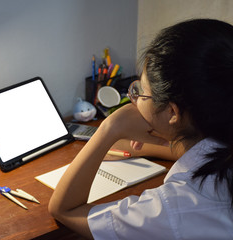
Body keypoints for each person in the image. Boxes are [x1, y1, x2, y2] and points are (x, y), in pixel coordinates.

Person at [48, 19, 233, 239]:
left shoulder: (172, 208)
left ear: (172, 113)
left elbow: (64, 210)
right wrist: (147, 148)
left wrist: (109, 128)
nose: (134, 100)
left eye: (141, 92)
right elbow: (208, 154)